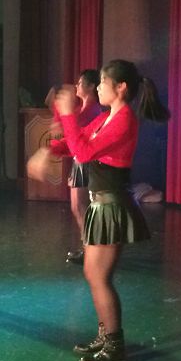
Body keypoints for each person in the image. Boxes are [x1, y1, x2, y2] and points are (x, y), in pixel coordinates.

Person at [54, 59, 170, 361]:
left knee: (99, 277)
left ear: (121, 87)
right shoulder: (107, 117)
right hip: (100, 205)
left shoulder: (124, 120)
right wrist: (49, 149)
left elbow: (84, 153)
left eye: (103, 84)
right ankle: (105, 336)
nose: (98, 89)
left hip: (112, 206)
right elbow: (76, 143)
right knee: (93, 274)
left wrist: (67, 114)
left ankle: (115, 346)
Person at [47, 69, 104, 265]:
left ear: (91, 86)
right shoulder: (85, 109)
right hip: (80, 160)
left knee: (81, 207)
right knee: (78, 207)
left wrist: (61, 111)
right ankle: (89, 247)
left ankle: (91, 249)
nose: (77, 86)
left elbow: (69, 128)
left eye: (80, 83)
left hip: (86, 161)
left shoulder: (92, 110)